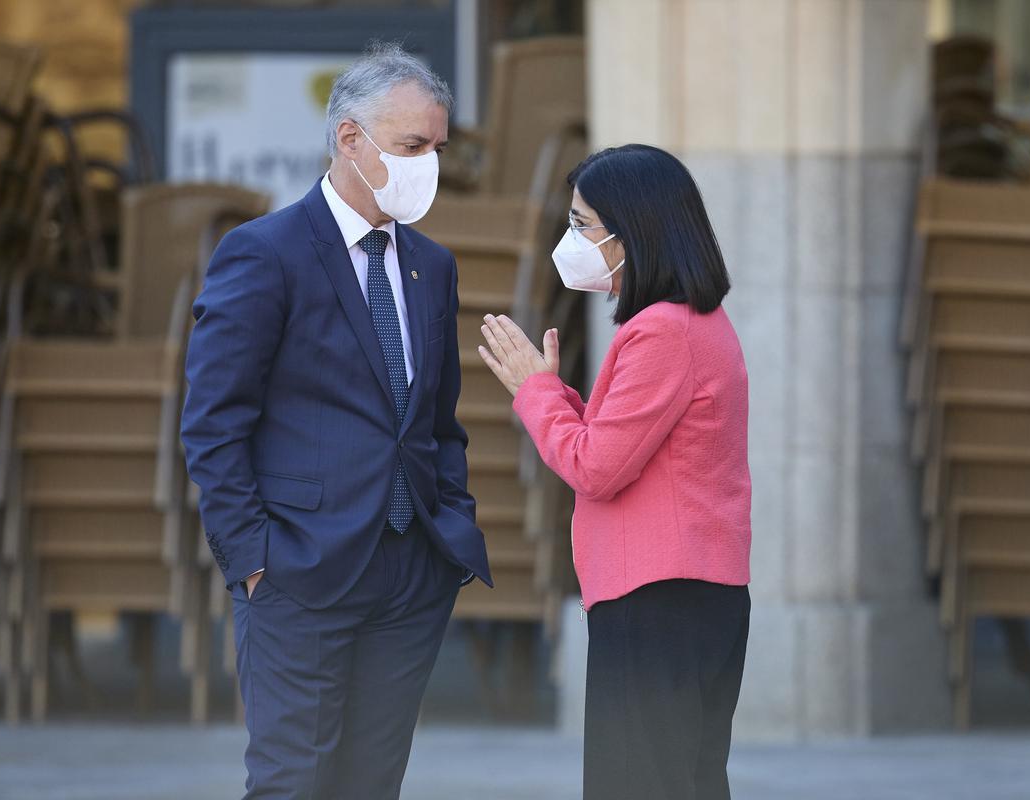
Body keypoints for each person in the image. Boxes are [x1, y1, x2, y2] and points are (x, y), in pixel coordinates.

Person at [181, 42, 490, 800]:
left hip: (406, 575)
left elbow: (437, 422)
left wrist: (447, 525)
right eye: (412, 146)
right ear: (349, 138)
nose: (428, 164)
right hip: (298, 574)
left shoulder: (432, 265)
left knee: (370, 785)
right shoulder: (263, 253)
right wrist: (253, 560)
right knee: (293, 783)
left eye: (437, 148)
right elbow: (212, 424)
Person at [478, 144, 752, 800]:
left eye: (584, 225)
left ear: (633, 235)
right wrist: (556, 393)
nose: (571, 240)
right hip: (690, 596)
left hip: (656, 597)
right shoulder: (695, 322)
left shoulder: (662, 332)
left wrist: (532, 392)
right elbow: (620, 445)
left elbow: (595, 467)